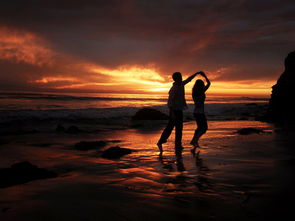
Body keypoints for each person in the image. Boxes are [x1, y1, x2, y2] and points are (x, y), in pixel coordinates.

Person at [157, 71, 199, 155]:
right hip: (174, 111)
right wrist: (172, 113)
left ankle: (177, 145)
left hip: (179, 110)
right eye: (179, 77)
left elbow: (188, 79)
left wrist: (196, 73)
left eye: (181, 77)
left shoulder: (181, 84)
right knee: (170, 128)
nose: (181, 78)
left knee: (179, 129)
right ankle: (161, 141)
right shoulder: (174, 88)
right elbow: (170, 102)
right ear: (176, 79)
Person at [190, 72, 211, 154]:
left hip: (196, 112)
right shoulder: (201, 92)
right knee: (204, 128)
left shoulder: (194, 92)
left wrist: (204, 76)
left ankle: (194, 141)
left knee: (199, 128)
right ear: (201, 86)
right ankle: (194, 140)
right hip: (199, 113)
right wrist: (204, 76)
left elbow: (209, 84)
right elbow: (209, 83)